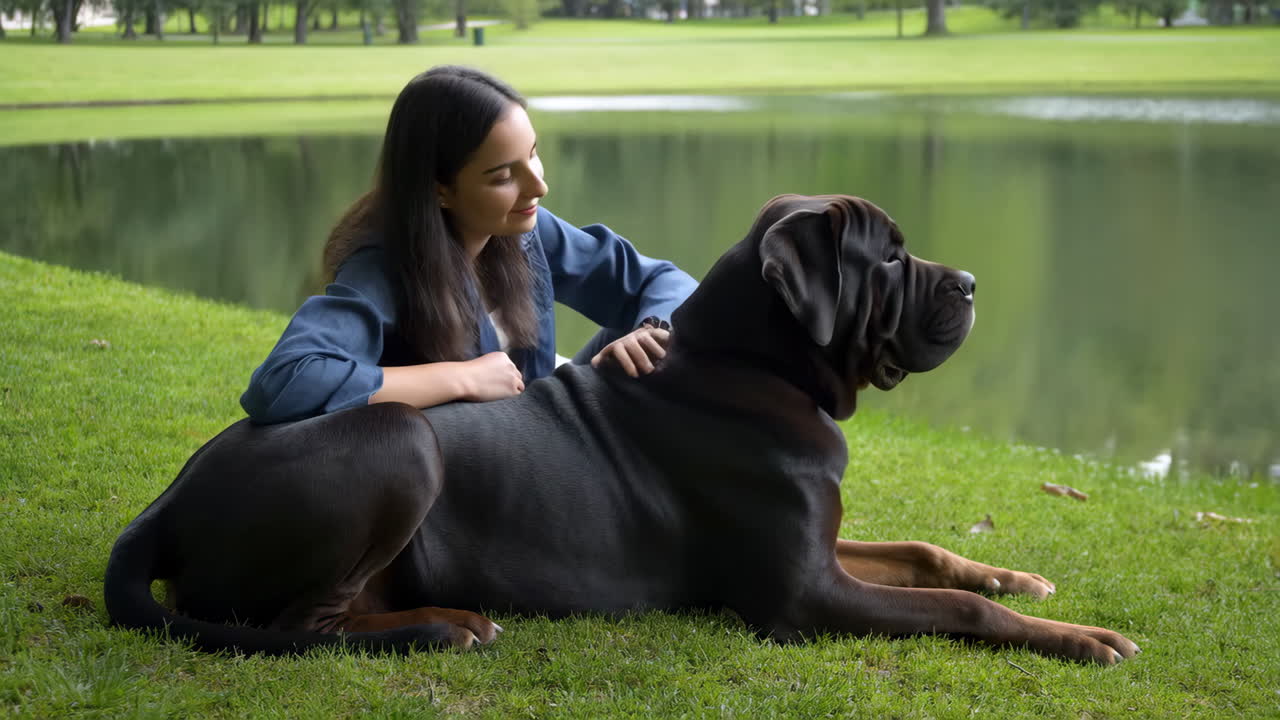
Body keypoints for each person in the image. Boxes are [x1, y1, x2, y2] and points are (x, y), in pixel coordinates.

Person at [240, 66, 698, 425]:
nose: (538, 186)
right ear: (440, 189)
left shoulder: (527, 233)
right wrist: (460, 378)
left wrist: (649, 329)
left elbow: (659, 280)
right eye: (503, 176)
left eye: (533, 154)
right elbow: (283, 382)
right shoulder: (383, 268)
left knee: (641, 346)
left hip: (538, 432)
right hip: (459, 483)